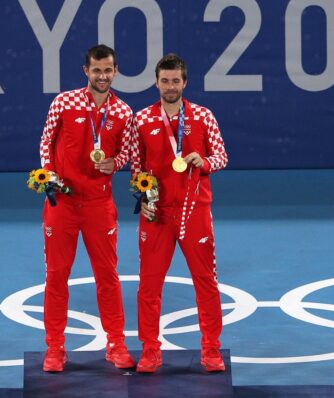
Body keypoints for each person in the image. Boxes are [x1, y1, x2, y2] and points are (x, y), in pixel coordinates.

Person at [128, 53, 228, 373]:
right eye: (165, 81)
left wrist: (205, 161)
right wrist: (143, 196)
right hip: (156, 213)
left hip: (194, 211)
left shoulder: (203, 116)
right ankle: (150, 350)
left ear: (185, 82)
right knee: (149, 285)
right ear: (156, 83)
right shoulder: (141, 120)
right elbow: (136, 167)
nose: (170, 86)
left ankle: (210, 349)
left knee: (205, 281)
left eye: (175, 81)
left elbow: (222, 156)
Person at [38, 44, 135, 372]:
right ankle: (55, 347)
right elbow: (46, 142)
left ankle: (116, 343)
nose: (102, 76)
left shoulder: (123, 112)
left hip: (99, 204)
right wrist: (49, 174)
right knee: (56, 276)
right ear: (86, 71)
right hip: (62, 203)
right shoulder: (63, 102)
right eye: (97, 70)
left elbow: (126, 152)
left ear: (115, 71)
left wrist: (115, 163)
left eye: (108, 70)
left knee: (107, 276)